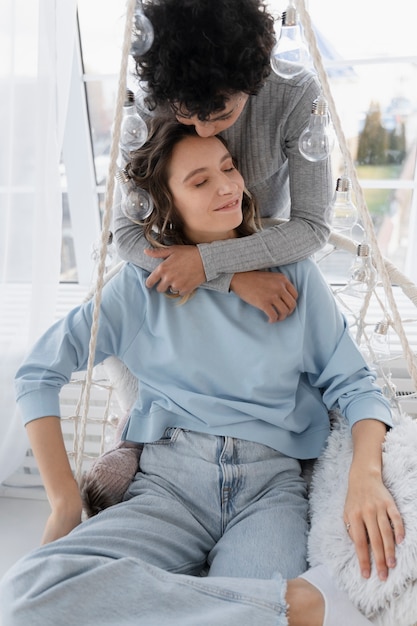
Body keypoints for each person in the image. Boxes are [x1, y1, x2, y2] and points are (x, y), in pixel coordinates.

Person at [0, 119, 403, 626]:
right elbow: (38, 371)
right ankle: (294, 606)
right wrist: (63, 503)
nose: (228, 186)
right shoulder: (143, 282)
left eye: (228, 168)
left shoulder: (293, 274)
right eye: (200, 181)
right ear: (166, 204)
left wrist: (365, 477)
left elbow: (356, 385)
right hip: (168, 488)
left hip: (269, 491)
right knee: (23, 597)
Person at [113, 0, 333, 323]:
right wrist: (228, 278)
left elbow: (313, 226)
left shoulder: (295, 95)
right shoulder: (147, 106)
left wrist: (206, 262)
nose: (202, 131)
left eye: (223, 114)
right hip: (178, 266)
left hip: (267, 255)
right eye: (184, 114)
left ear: (253, 84)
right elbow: (127, 236)